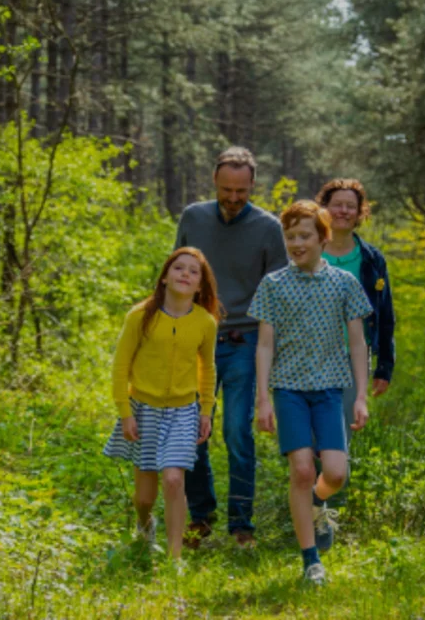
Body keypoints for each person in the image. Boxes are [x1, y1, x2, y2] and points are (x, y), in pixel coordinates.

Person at [250, 200, 373, 585]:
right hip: (288, 390)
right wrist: (264, 397)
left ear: (322, 237)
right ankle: (311, 561)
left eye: (304, 236)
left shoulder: (343, 283)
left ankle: (320, 501)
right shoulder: (273, 285)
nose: (296, 243)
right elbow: (265, 345)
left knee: (335, 474)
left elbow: (357, 343)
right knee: (302, 471)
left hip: (329, 390)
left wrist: (361, 395)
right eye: (290, 237)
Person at [175, 146, 287, 548]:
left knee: (238, 432)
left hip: (244, 342)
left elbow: (277, 294)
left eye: (241, 191)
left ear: (253, 185)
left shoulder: (268, 228)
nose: (233, 198)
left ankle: (242, 525)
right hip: (195, 339)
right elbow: (178, 274)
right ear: (214, 182)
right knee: (190, 430)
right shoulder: (193, 217)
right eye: (226, 190)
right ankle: (200, 517)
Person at [103, 247, 221, 561]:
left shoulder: (205, 323)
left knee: (173, 479)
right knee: (144, 497)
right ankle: (145, 524)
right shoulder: (140, 316)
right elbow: (120, 366)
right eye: (178, 268)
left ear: (200, 286)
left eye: (193, 271)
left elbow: (207, 369)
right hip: (144, 410)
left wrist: (206, 410)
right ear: (165, 277)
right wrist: (125, 412)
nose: (185, 274)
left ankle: (175, 557)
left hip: (183, 412)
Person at [313, 178, 397, 548]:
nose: (343, 210)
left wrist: (384, 367)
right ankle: (311, 506)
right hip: (310, 357)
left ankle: (326, 513)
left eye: (350, 205)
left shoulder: (372, 258)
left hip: (352, 358)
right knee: (311, 440)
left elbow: (386, 314)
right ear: (324, 208)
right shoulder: (308, 249)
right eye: (336, 204)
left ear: (360, 212)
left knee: (337, 439)